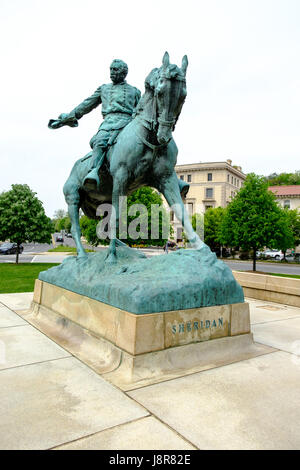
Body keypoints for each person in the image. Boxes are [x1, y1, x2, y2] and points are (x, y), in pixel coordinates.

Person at [49, 59, 141, 188]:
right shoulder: (104, 89)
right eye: (111, 69)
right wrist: (69, 117)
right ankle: (93, 172)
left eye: (115, 70)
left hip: (129, 123)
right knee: (100, 141)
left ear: (123, 72)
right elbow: (87, 104)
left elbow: (140, 110)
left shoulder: (135, 91)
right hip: (109, 123)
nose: (111, 72)